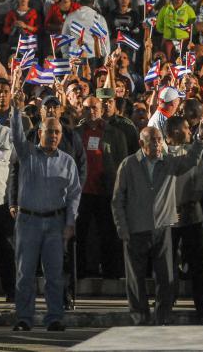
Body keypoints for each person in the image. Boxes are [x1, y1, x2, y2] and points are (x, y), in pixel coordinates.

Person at [111, 122, 203, 326]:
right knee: (135, 280)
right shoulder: (128, 165)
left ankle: (161, 318)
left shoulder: (169, 162)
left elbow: (191, 160)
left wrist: (200, 138)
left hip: (163, 229)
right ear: (141, 143)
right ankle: (140, 319)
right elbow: (118, 199)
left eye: (158, 140)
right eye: (151, 140)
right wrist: (122, 227)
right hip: (135, 229)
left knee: (166, 279)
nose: (156, 144)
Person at [10, 83, 81, 332]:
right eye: (49, 132)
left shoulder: (68, 162)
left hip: (55, 224)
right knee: (25, 274)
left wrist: (70, 222)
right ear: (40, 132)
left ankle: (54, 318)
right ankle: (24, 318)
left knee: (54, 275)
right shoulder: (27, 154)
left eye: (57, 133)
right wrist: (17, 110)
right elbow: (16, 137)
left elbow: (74, 194)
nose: (53, 136)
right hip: (28, 222)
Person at [164, 116, 203, 324]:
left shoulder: (195, 153)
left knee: (198, 265)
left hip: (192, 214)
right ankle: (165, 304)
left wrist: (201, 205)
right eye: (186, 128)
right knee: (166, 264)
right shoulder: (164, 155)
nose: (189, 132)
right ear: (175, 131)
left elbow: (202, 182)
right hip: (169, 216)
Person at [74, 96, 128, 278]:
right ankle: (79, 270)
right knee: (80, 234)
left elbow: (122, 161)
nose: (92, 111)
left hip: (106, 190)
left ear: (101, 109)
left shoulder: (115, 133)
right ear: (82, 110)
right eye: (88, 108)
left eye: (95, 107)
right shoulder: (76, 133)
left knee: (108, 233)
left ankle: (111, 271)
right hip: (82, 191)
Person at [0, 106, 15, 302]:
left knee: (7, 249)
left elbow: (16, 167)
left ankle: (11, 291)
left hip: (2, 202)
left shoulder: (7, 134)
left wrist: (13, 199)